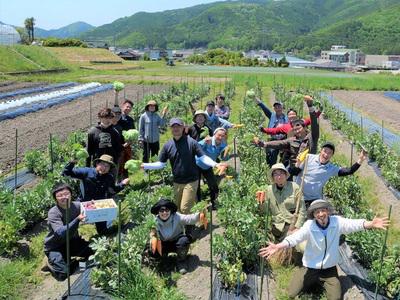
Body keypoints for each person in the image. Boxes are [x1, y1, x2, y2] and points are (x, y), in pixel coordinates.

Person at [259, 199, 389, 300]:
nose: (321, 214)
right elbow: (295, 238)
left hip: (329, 269)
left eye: (323, 210)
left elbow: (352, 224)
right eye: (317, 212)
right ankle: (307, 277)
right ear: (314, 215)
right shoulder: (309, 226)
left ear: (328, 211)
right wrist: (278, 246)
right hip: (310, 267)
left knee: (336, 297)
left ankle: (321, 282)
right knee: (292, 293)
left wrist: (370, 224)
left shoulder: (336, 222)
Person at [142, 118, 224, 215]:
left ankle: (189, 229)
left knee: (184, 208)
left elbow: (202, 157)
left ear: (183, 128)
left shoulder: (191, 142)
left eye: (178, 126)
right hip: (177, 181)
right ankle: (196, 218)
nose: (176, 128)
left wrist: (215, 164)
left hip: (191, 181)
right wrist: (145, 165)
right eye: (173, 126)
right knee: (177, 209)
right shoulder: (167, 145)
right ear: (170, 129)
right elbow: (161, 164)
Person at [62, 154, 129, 234]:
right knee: (72, 220)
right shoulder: (86, 172)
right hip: (83, 202)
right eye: (102, 164)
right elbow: (66, 173)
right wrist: (72, 162)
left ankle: (103, 232)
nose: (104, 168)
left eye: (107, 166)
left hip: (99, 205)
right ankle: (72, 236)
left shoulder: (109, 177)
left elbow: (113, 191)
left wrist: (123, 184)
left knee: (103, 230)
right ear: (97, 163)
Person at [289, 142, 367, 207]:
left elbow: (349, 171)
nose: (326, 155)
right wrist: (298, 164)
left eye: (329, 153)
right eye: (325, 151)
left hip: (314, 199)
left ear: (332, 156)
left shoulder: (331, 168)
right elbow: (293, 173)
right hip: (298, 195)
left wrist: (360, 159)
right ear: (321, 151)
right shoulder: (309, 158)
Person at [43, 183, 93, 281]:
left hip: (72, 241)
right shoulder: (54, 212)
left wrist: (92, 206)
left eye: (66, 194)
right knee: (63, 275)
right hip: (55, 246)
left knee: (92, 252)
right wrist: (77, 220)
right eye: (60, 195)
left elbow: (89, 209)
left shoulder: (77, 206)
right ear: (55, 199)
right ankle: (50, 263)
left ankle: (68, 260)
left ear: (71, 194)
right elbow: (60, 232)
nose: (64, 197)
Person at [253, 96, 319, 169]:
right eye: (290, 115)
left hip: (306, 161)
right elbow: (277, 136)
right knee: (285, 164)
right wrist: (264, 132)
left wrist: (315, 109)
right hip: (290, 150)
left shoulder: (308, 134)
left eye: (293, 114)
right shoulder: (287, 129)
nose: (297, 130)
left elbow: (313, 120)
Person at [150, 198, 200, 274]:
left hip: (177, 242)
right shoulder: (154, 222)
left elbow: (189, 219)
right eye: (162, 210)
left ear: (170, 211)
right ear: (158, 212)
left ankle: (181, 261)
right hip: (163, 244)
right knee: (152, 246)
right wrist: (152, 236)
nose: (164, 213)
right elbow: (151, 234)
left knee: (184, 241)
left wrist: (200, 214)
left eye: (167, 210)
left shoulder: (177, 216)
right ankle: (164, 260)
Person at [257, 163, 306, 242]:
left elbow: (302, 209)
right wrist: (261, 202)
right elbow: (265, 211)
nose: (279, 177)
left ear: (286, 175)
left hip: (291, 224)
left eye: (281, 173)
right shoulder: (269, 190)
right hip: (276, 225)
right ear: (273, 177)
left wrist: (297, 227)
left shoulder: (295, 187)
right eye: (275, 174)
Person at [196, 127, 230, 209]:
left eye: (223, 136)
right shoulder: (208, 140)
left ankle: (214, 203)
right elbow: (196, 147)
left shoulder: (223, 144)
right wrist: (204, 142)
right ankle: (199, 205)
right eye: (219, 135)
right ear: (214, 134)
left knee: (213, 185)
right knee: (196, 186)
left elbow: (224, 158)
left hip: (208, 166)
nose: (220, 137)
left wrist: (227, 151)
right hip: (197, 164)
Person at [255, 98, 289, 166]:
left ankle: (282, 171)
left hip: (284, 140)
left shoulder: (287, 118)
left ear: (282, 108)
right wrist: (258, 101)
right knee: (272, 157)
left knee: (284, 158)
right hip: (274, 139)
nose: (278, 109)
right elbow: (265, 109)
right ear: (274, 109)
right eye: (276, 107)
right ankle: (272, 171)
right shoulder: (272, 116)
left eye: (279, 107)